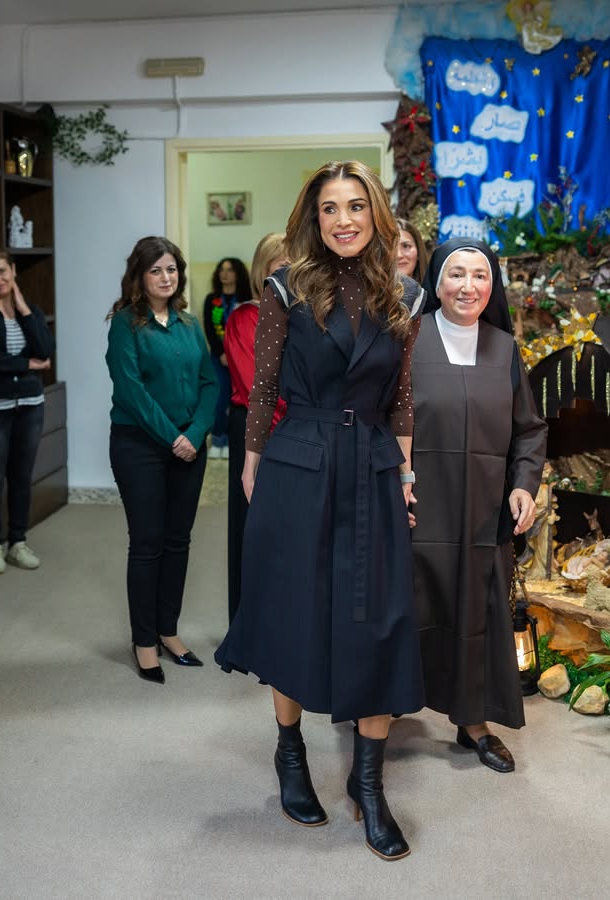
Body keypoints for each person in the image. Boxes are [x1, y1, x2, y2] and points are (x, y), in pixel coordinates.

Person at [215, 161, 426, 860]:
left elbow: (402, 397)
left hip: (372, 465)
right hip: (299, 463)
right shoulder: (287, 287)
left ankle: (369, 785)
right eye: (330, 207)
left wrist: (405, 474)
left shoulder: (404, 294)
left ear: (375, 215)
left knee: (378, 622)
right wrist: (252, 462)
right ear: (314, 216)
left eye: (356, 206)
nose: (343, 219)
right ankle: (290, 752)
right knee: (293, 616)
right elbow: (263, 386)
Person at [411, 237, 548, 773]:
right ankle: (385, 708)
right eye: (456, 274)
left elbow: (529, 430)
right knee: (413, 606)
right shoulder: (408, 338)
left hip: (485, 512)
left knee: (477, 614)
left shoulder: (504, 349)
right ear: (436, 282)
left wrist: (524, 485)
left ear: (493, 286)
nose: (468, 286)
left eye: (480, 276)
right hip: (420, 506)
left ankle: (474, 724)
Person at [105, 236, 217, 684]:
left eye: (172, 269)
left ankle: (168, 630)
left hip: (189, 445)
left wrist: (196, 433)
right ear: (140, 275)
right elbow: (131, 391)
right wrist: (175, 438)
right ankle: (144, 641)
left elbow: (210, 382)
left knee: (178, 541)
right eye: (156, 270)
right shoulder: (125, 324)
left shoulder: (190, 324)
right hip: (140, 447)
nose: (166, 277)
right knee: (147, 542)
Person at [0, 242, 55, 575]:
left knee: (21, 478)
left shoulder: (28, 309)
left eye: (2, 271)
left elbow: (45, 348)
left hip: (30, 406)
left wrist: (21, 307)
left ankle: (17, 542)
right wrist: (26, 364)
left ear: (13, 270)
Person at [223, 232, 288, 625]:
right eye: (281, 266)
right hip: (258, 434)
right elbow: (257, 388)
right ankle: (247, 628)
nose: (290, 273)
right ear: (263, 270)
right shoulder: (246, 316)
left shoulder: (306, 316)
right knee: (253, 530)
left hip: (295, 435)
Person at [202, 257, 252, 459]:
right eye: (221, 269)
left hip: (240, 359)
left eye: (229, 270)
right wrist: (221, 353)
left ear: (237, 274)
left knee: (239, 400)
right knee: (219, 399)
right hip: (218, 358)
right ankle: (217, 438)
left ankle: (233, 440)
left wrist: (234, 355)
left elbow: (246, 330)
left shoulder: (246, 299)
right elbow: (209, 329)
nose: (224, 274)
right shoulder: (212, 299)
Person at [396, 217, 428, 282]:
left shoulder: (436, 288)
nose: (398, 255)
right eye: (391, 248)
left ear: (418, 251)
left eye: (406, 246)